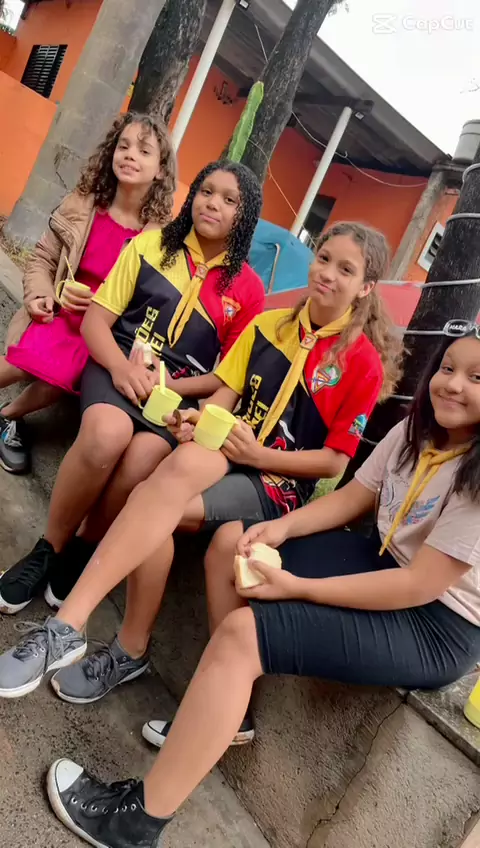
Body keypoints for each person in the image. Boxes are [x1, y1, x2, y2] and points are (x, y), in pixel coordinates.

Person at [35, 319, 480, 848]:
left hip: (436, 622)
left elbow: (418, 587)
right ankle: (231, 713)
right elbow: (353, 496)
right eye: (447, 368)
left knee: (241, 637)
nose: (453, 384)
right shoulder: (416, 430)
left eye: (476, 378)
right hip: (382, 560)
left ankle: (136, 823)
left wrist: (296, 586)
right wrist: (282, 527)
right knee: (234, 543)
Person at [0, 221, 402, 707]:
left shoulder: (362, 364)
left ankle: (94, 637)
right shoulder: (268, 326)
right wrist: (194, 421)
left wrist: (258, 456)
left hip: (275, 480)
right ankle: (80, 632)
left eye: (346, 270)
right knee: (160, 489)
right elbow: (223, 401)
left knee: (154, 503)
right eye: (324, 259)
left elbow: (333, 463)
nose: (328, 274)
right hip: (230, 451)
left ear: (366, 287)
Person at [0, 160, 265, 615]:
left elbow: (229, 379)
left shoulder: (248, 289)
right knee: (108, 433)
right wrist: (122, 370)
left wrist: (187, 402)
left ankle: (82, 550)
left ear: (246, 216)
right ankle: (48, 548)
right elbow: (97, 323)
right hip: (117, 361)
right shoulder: (152, 245)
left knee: (145, 457)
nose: (213, 204)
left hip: (175, 393)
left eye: (229, 200)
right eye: (206, 191)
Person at [0, 111, 176, 475]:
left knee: (76, 366)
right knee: (31, 352)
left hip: (102, 332)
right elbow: (42, 259)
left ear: (160, 170)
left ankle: (7, 417)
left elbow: (149, 305)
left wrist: (102, 311)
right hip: (57, 312)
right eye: (123, 146)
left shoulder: (160, 240)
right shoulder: (82, 205)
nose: (129, 155)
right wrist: (42, 294)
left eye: (143, 151)